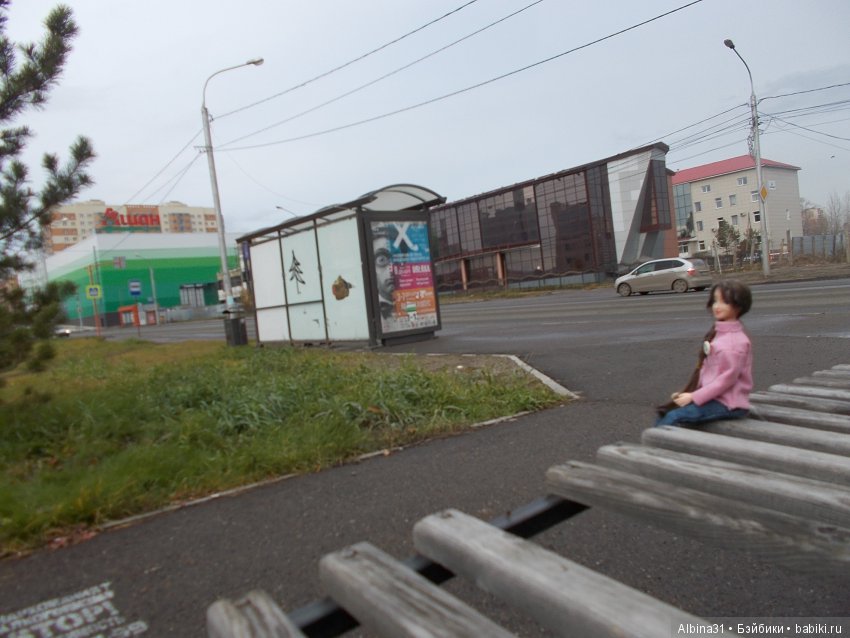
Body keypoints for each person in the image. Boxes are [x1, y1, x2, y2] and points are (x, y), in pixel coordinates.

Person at [655, 280, 753, 427]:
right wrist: (689, 393)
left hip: (728, 403)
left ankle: (659, 449)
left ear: (739, 305)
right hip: (716, 398)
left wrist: (693, 397)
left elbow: (726, 380)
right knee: (667, 413)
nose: (717, 306)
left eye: (724, 302)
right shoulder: (720, 333)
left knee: (673, 418)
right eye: (715, 301)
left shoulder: (734, 343)